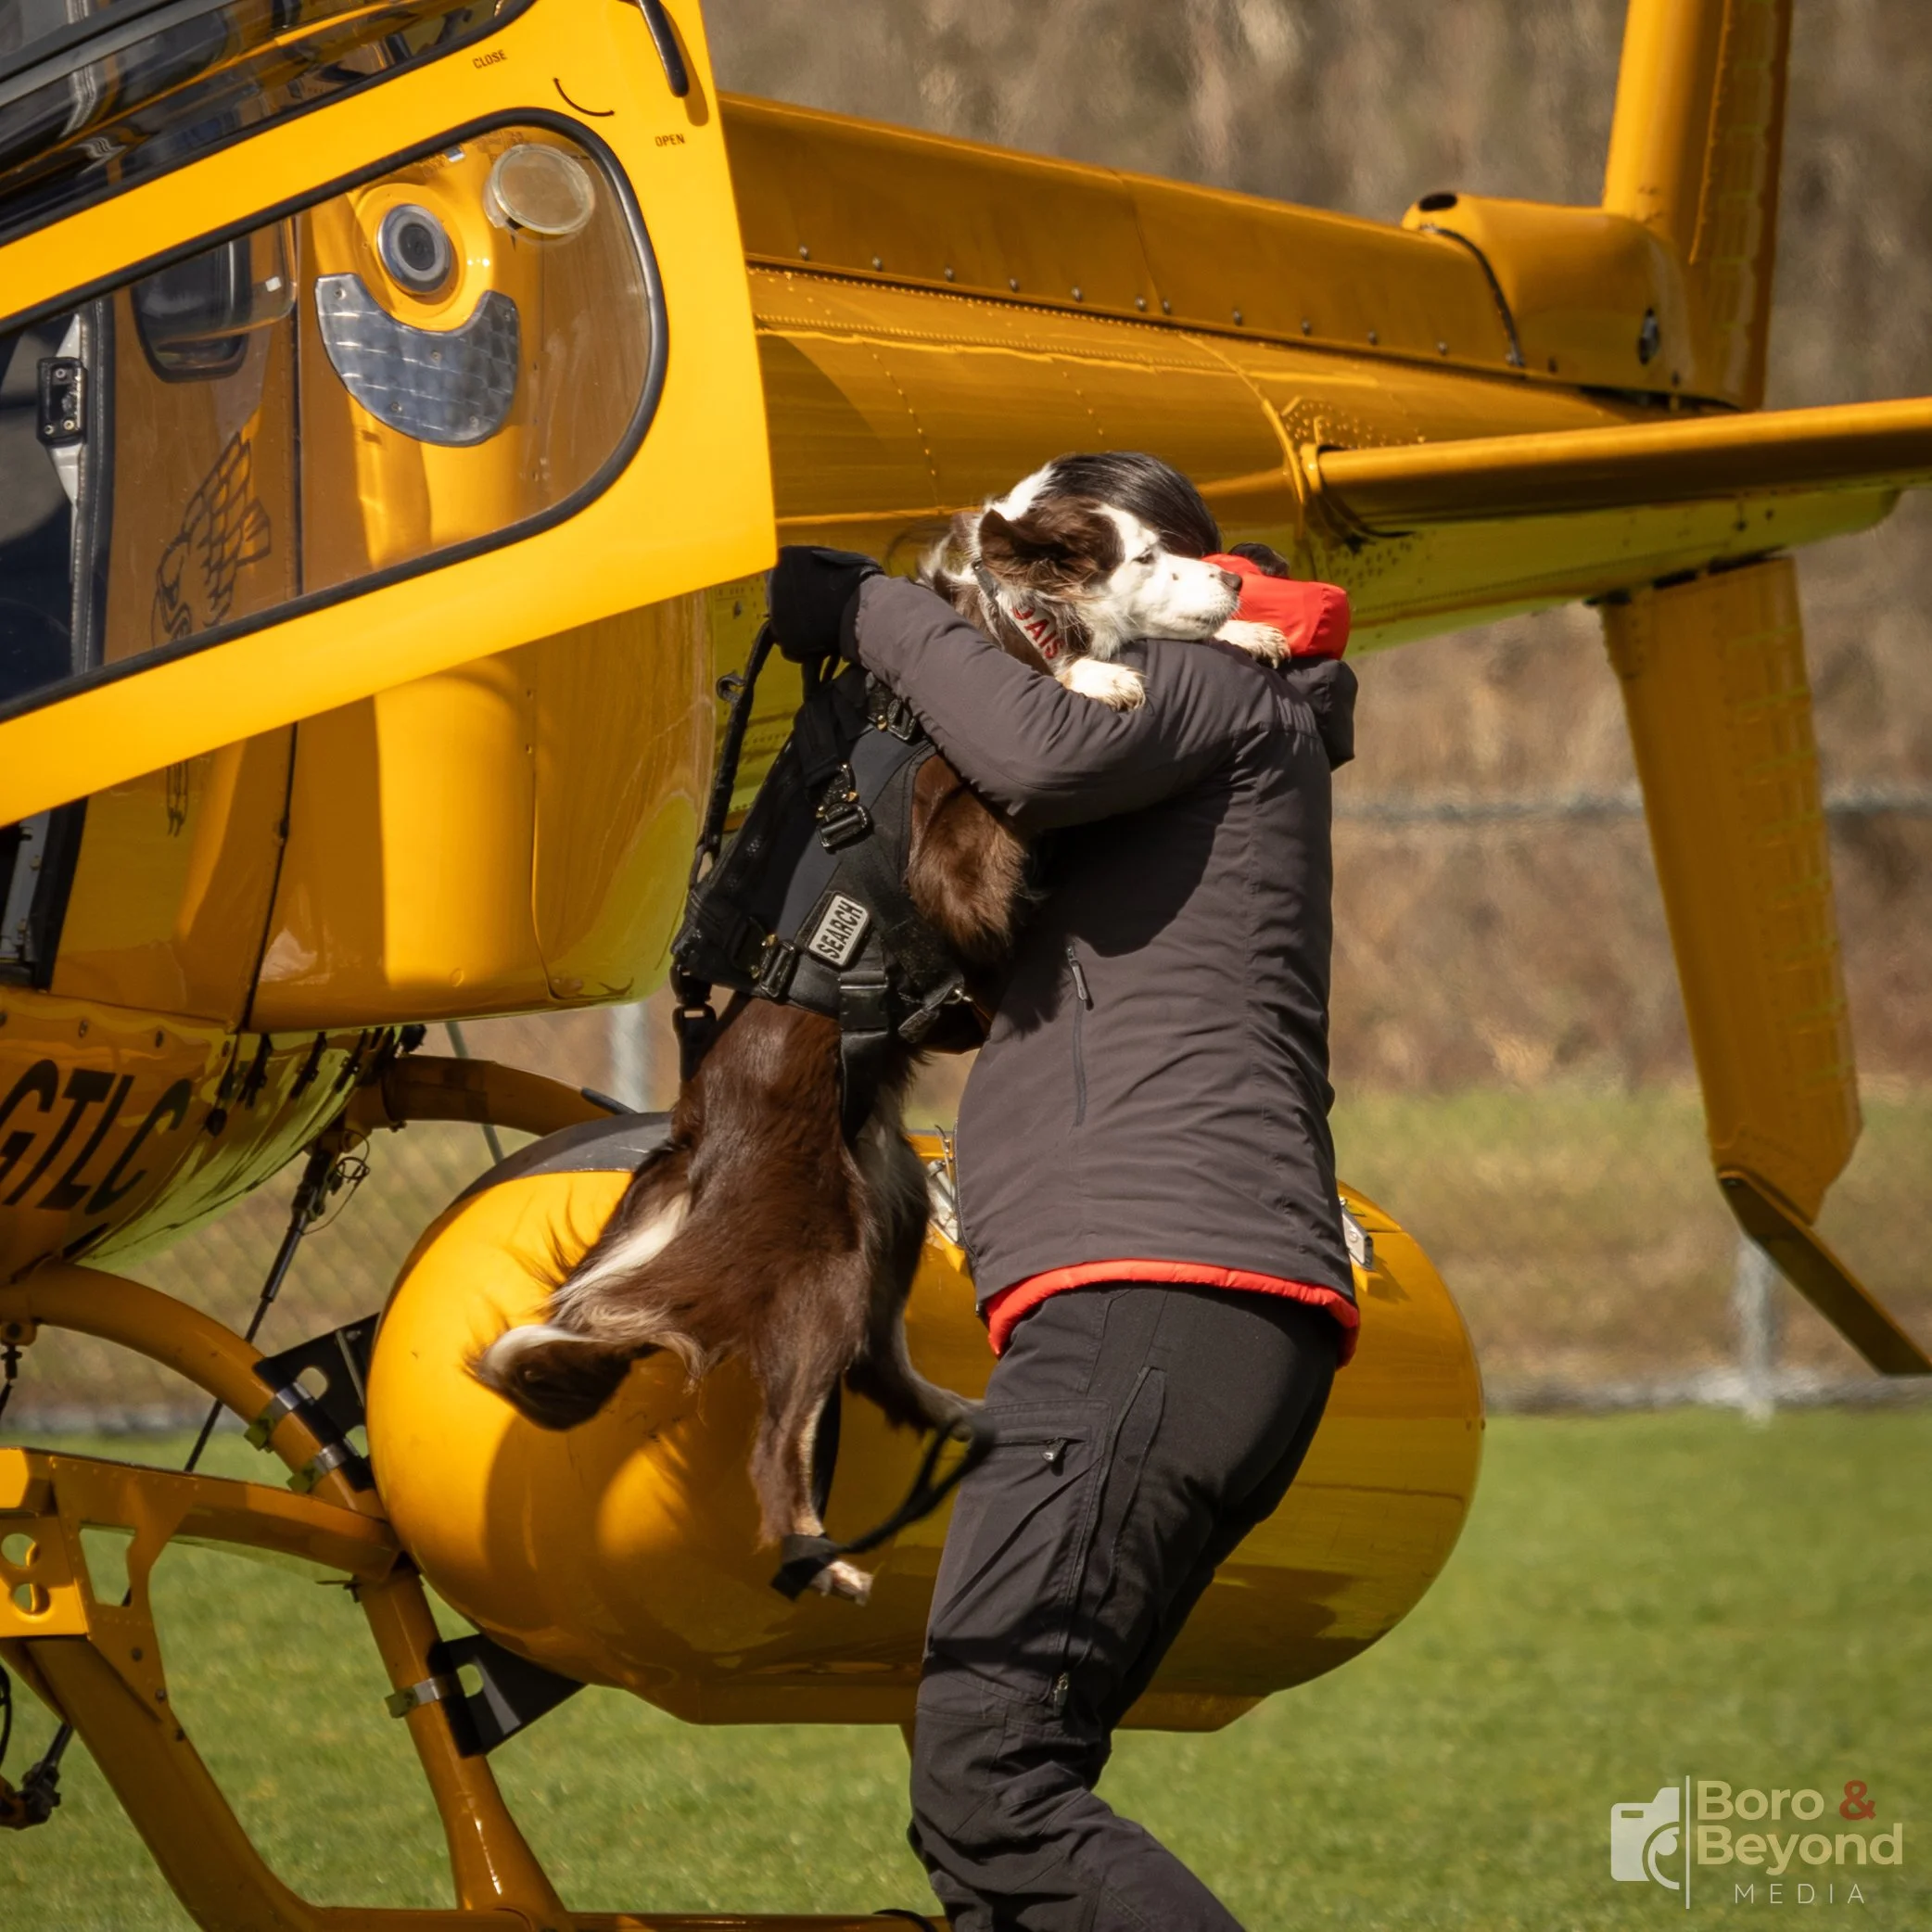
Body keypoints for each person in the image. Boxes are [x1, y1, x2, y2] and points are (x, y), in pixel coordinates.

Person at [768, 455, 1359, 1932]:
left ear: (1140, 563)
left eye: (1040, 572)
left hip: (1154, 1304)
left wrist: (867, 609)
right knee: (994, 1824)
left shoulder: (1229, 689)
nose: (1008, 603)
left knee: (995, 1785)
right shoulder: (1186, 751)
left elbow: (1030, 747)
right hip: (1166, 1315)